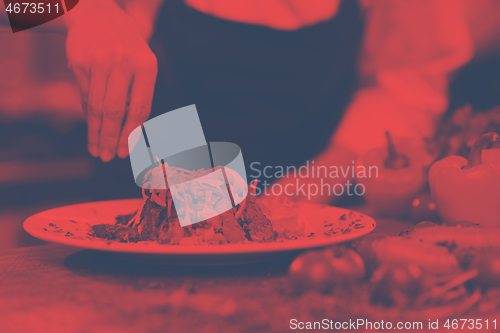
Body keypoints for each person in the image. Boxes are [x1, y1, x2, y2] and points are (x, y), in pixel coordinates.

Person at [0, 0, 475, 202]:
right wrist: (83, 9)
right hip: (141, 221)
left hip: (307, 231)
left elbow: (411, 75)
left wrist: (325, 175)